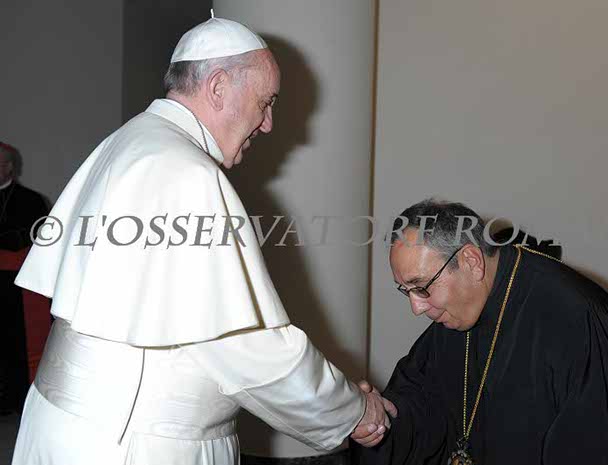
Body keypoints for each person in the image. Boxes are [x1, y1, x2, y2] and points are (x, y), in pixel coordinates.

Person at [11, 16, 391, 464]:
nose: (268, 124)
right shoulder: (188, 174)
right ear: (218, 87)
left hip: (71, 425)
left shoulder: (129, 141)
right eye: (265, 102)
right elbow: (249, 348)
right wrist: (352, 411)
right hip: (137, 445)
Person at [351, 199, 608, 465]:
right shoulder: (458, 315)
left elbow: (600, 448)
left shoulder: (577, 320)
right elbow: (424, 402)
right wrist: (382, 418)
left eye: (422, 287)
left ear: (471, 261)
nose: (417, 308)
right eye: (406, 290)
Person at [0, 142, 49, 415]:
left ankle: (15, 400)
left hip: (15, 285)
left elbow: (33, 236)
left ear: (9, 167)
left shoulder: (31, 200)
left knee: (15, 343)